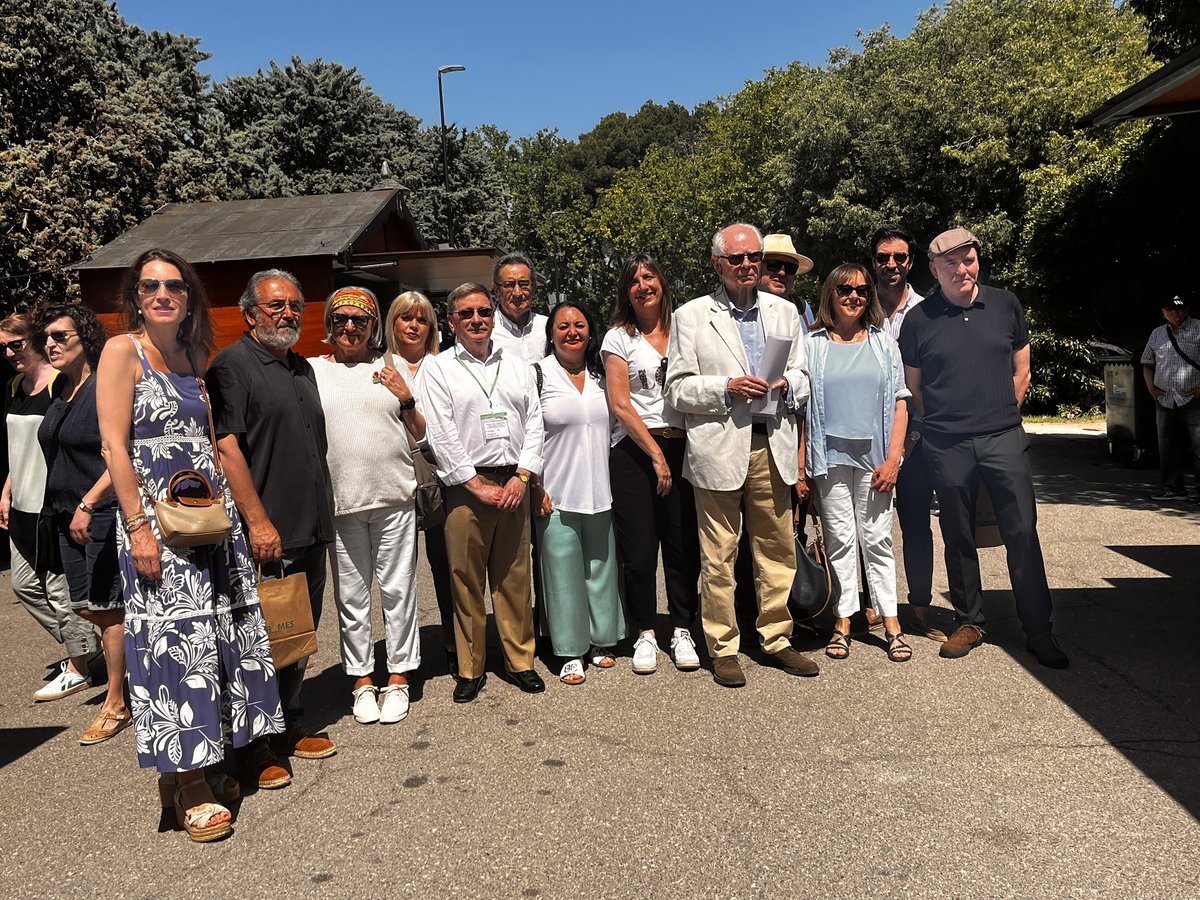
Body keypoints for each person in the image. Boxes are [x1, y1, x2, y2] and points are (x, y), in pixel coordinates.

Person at [96, 248, 285, 842]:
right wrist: (138, 527)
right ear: (136, 294)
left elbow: (208, 441)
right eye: (150, 285)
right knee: (176, 647)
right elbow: (114, 447)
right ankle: (189, 780)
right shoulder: (123, 350)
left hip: (208, 519)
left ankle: (199, 766)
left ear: (188, 295)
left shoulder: (192, 355)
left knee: (217, 638)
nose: (162, 294)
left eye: (174, 285)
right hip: (157, 523)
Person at [899, 227, 1068, 668]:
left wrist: (998, 417)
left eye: (968, 259)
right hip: (946, 443)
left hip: (1003, 437)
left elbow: (1022, 368)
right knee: (958, 533)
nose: (962, 269)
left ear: (977, 261)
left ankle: (1038, 629)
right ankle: (969, 621)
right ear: (934, 270)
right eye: (951, 263)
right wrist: (945, 425)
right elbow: (913, 388)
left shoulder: (1006, 304)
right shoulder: (919, 321)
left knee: (1021, 532)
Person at [664, 223, 817, 688]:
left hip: (773, 444)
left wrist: (789, 384)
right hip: (719, 449)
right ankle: (724, 647)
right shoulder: (691, 316)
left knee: (776, 550)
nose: (749, 265)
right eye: (738, 259)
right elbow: (676, 390)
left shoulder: (785, 311)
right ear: (718, 264)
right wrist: (725, 387)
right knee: (720, 555)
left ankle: (776, 638)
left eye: (755, 257)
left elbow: (807, 375)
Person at [206, 269, 337, 787]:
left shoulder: (300, 367)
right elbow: (226, 445)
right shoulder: (232, 366)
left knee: (296, 633)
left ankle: (291, 724)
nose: (286, 314)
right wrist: (257, 521)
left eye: (293, 306)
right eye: (275, 306)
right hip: (267, 533)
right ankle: (256, 746)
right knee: (258, 642)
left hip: (310, 526)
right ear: (249, 313)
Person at [420, 282, 545, 703]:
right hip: (465, 488)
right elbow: (440, 432)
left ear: (493, 317)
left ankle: (520, 661)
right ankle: (470, 668)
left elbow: (535, 423)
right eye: (467, 313)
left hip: (513, 481)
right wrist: (474, 485)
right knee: (466, 580)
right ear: (451, 321)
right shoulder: (437, 369)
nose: (477, 320)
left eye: (483, 312)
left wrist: (522, 477)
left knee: (514, 578)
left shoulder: (517, 365)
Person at [310, 286, 424, 725]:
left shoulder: (390, 368)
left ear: (374, 326)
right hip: (342, 501)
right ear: (330, 326)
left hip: (394, 495)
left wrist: (405, 395)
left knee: (398, 591)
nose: (351, 328)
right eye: (341, 320)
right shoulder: (313, 371)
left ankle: (398, 677)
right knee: (352, 598)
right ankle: (361, 680)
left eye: (360, 320)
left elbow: (418, 429)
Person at [803, 264, 912, 662]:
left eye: (863, 291)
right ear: (831, 294)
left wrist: (894, 459)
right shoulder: (812, 344)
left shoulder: (883, 343)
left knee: (877, 539)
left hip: (875, 460)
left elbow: (901, 401)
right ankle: (844, 619)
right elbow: (800, 406)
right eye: (845, 290)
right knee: (840, 541)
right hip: (828, 459)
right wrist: (802, 469)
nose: (854, 297)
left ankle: (891, 620)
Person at [33, 302, 129, 744]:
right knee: (85, 605)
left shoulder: (101, 388)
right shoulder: (61, 389)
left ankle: (117, 702)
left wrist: (90, 503)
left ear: (85, 339)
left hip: (99, 513)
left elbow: (121, 454)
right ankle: (133, 670)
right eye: (46, 338)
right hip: (65, 515)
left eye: (60, 337)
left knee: (107, 607)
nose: (50, 345)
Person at [601, 253, 701, 674]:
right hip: (634, 452)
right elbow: (621, 404)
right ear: (627, 291)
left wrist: (669, 455)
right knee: (639, 549)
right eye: (635, 280)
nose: (643, 285)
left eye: (650, 277)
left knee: (683, 547)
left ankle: (682, 628)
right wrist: (656, 455)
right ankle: (645, 631)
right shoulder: (618, 338)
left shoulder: (685, 328)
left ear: (662, 282)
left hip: (685, 447)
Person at [1, 313, 99, 700]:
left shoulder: (61, 382)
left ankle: (79, 665)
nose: (9, 353)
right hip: (22, 498)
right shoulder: (15, 385)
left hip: (51, 501)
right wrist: (7, 490)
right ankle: (90, 649)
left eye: (16, 344)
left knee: (59, 589)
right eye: (4, 347)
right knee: (23, 585)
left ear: (36, 342)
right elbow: (19, 446)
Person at [532, 301, 624, 685]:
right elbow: (528, 433)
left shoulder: (603, 375)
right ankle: (571, 650)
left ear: (591, 332)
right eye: (563, 325)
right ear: (551, 333)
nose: (572, 331)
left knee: (601, 569)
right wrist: (534, 484)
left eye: (580, 325)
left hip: (598, 487)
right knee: (562, 573)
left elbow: (618, 426)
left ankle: (602, 640)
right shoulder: (537, 374)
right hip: (555, 491)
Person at [871, 224, 948, 642]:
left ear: (911, 262)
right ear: (874, 263)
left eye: (899, 257)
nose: (891, 265)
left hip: (918, 435)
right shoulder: (856, 305)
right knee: (865, 524)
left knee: (916, 522)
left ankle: (919, 606)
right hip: (866, 435)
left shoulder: (929, 311)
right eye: (883, 258)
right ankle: (868, 605)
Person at [734, 233, 816, 620]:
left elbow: (807, 396)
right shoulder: (725, 314)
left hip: (782, 441)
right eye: (773, 265)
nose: (781, 273)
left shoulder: (805, 317)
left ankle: (789, 617)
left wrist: (802, 466)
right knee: (734, 546)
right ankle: (744, 621)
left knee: (780, 542)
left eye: (789, 268)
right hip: (733, 441)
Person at [384, 290, 456, 677]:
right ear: (392, 324)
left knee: (447, 565)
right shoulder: (378, 366)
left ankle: (454, 641)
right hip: (394, 476)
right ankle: (402, 658)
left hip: (440, 473)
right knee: (399, 573)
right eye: (405, 318)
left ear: (431, 327)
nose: (413, 326)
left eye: (421, 319)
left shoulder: (443, 365)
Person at [1141, 294, 1200, 501]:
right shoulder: (1157, 334)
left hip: (1193, 398)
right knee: (1167, 446)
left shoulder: (1199, 328)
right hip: (1165, 399)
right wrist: (1151, 390)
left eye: (1180, 309)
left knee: (1198, 445)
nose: (1176, 313)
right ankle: (1173, 488)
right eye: (1171, 310)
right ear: (1163, 312)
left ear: (1187, 309)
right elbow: (1147, 363)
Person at [490, 252, 549, 366]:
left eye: (523, 284)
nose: (517, 293)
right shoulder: (488, 331)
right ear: (497, 291)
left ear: (533, 288)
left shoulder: (547, 327)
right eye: (509, 284)